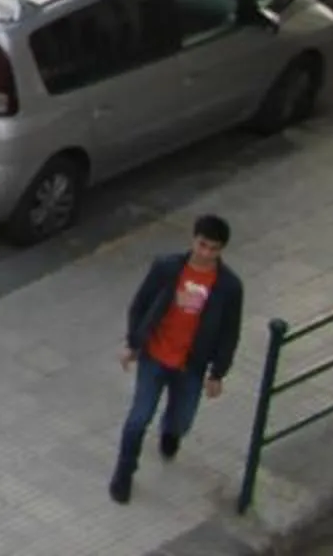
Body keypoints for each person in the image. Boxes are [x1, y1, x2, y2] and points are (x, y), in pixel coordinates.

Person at [112, 214, 244, 504]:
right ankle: (124, 473)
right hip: (155, 357)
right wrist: (134, 342)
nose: (206, 253)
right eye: (202, 245)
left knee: (181, 419)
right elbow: (141, 304)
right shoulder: (167, 268)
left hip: (191, 365)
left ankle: (170, 433)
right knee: (137, 419)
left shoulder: (228, 287)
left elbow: (229, 332)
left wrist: (218, 373)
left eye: (214, 249)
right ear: (193, 240)